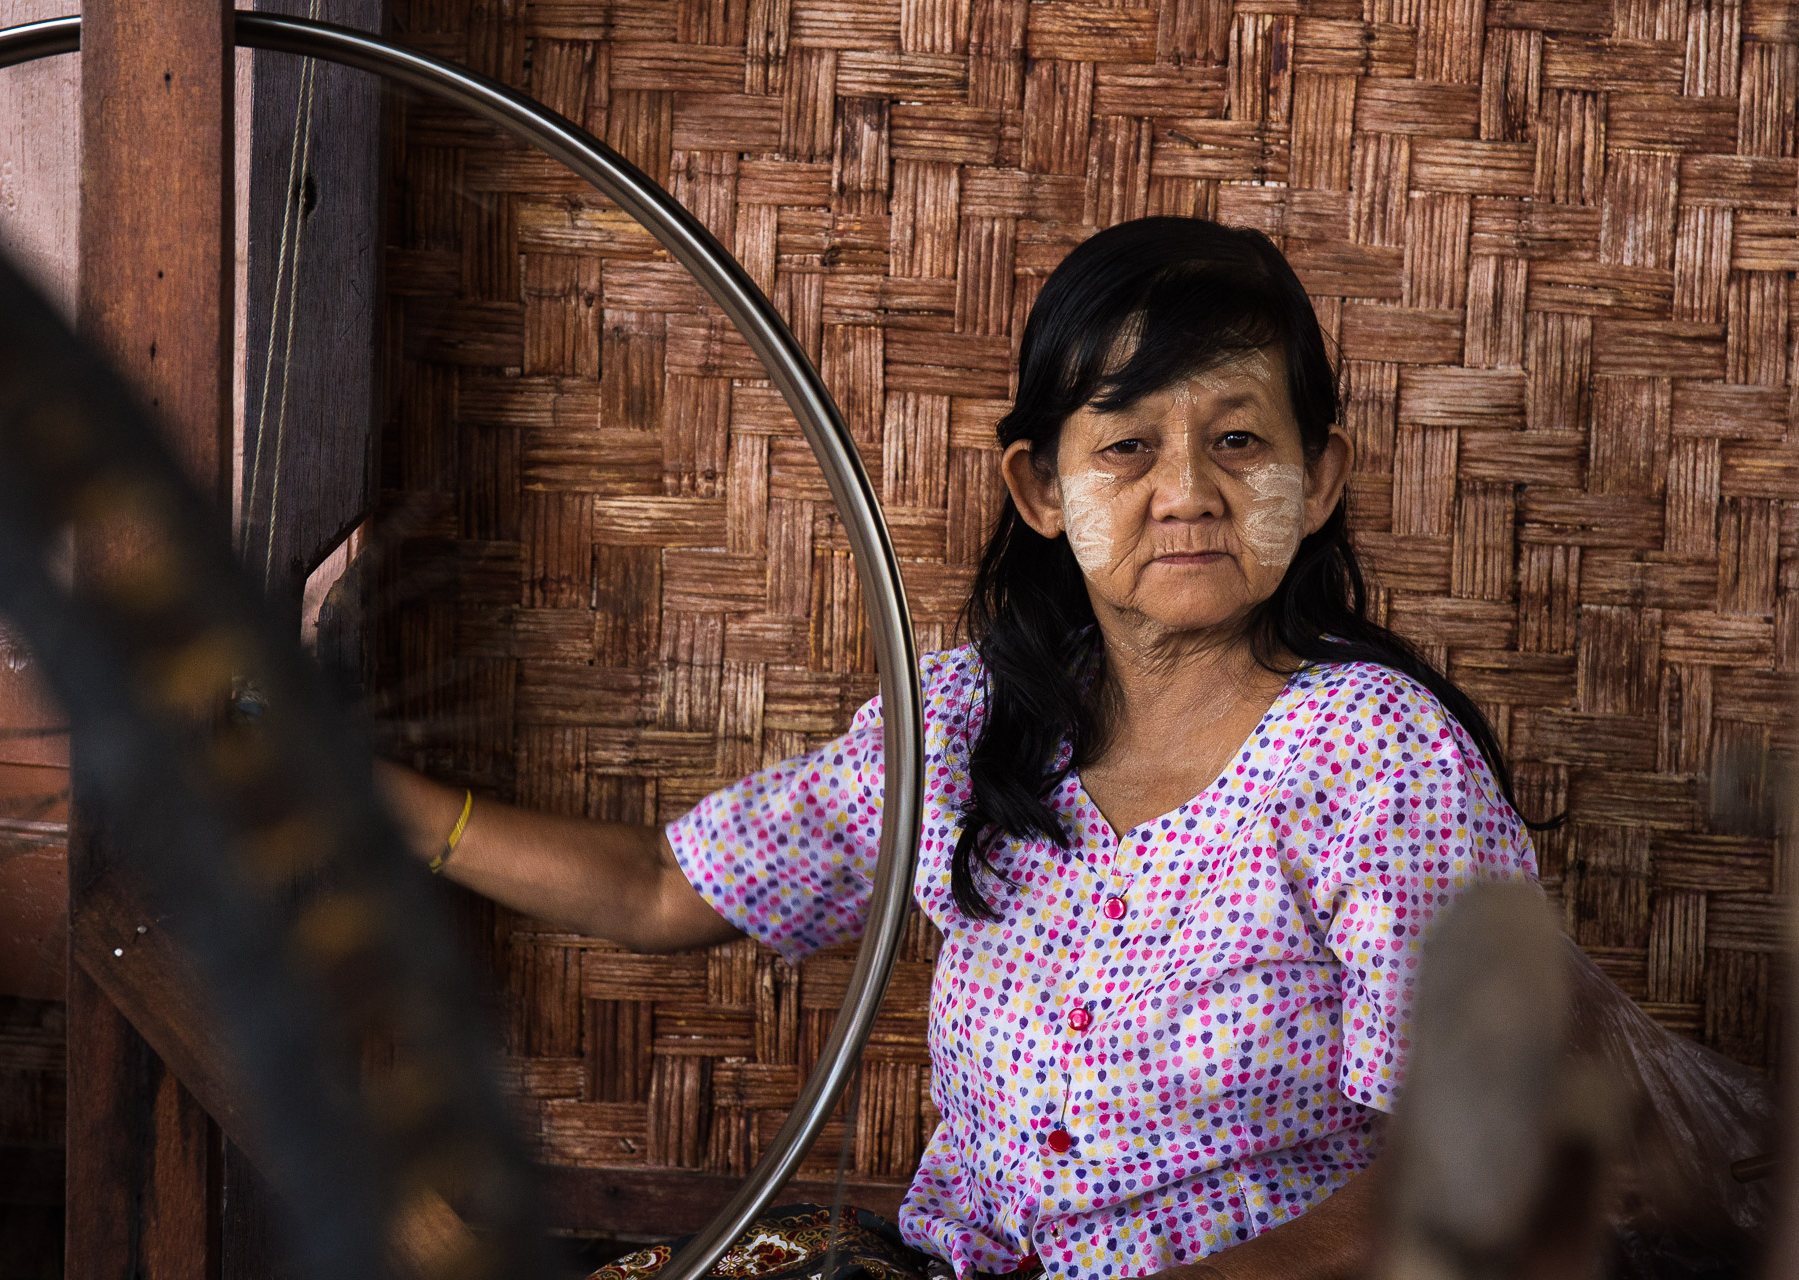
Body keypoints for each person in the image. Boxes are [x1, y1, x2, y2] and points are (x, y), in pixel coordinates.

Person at [380, 216, 1543, 1280]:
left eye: (1240, 438)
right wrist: (385, 811)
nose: (1188, 490)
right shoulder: (977, 716)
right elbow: (665, 886)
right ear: (1041, 487)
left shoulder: (1383, 760)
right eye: (1126, 447)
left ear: (1321, 476)